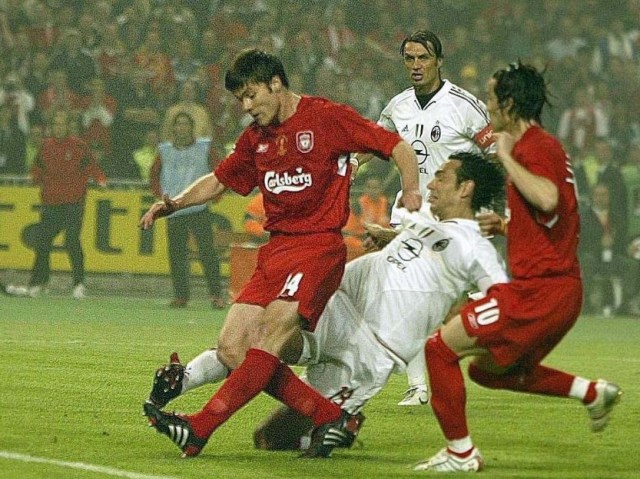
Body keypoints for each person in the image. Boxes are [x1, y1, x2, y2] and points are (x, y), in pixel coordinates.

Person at [139, 48, 421, 458]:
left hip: (317, 247)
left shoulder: (326, 118)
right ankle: (332, 417)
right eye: (240, 99)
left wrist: (411, 190)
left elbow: (397, 147)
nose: (246, 106)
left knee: (268, 336)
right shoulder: (256, 139)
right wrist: (174, 204)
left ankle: (199, 427)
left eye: (251, 95)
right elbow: (218, 181)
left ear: (276, 83)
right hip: (276, 251)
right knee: (233, 347)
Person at [413, 61, 622, 473]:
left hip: (539, 291)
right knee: (490, 373)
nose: (487, 105)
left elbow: (547, 199)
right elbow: (555, 216)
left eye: (491, 98)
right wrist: (509, 225)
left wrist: (507, 157)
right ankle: (592, 392)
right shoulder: (543, 148)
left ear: (508, 104)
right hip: (555, 291)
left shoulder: (533, 148)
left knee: (438, 349)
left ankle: (461, 454)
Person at [249, 152, 507, 452]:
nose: (431, 184)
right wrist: (390, 237)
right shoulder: (426, 222)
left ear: (465, 189)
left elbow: (501, 300)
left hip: (369, 352)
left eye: (441, 178)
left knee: (270, 438)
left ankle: (338, 424)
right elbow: (430, 245)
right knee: (259, 339)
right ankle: (210, 375)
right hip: (342, 309)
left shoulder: (475, 248)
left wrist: (468, 323)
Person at [355, 30, 496, 406]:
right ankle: (417, 385)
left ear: (439, 61)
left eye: (423, 58)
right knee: (406, 295)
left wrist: (495, 202)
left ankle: (499, 336)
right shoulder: (398, 106)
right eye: (410, 58)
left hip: (455, 214)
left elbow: (496, 153)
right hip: (412, 208)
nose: (416, 65)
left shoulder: (464, 105)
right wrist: (353, 161)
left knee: (447, 298)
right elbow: (377, 141)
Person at [18, 110, 106, 298]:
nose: (58, 128)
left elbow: (92, 167)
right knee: (43, 242)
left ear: (68, 126)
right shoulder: (45, 146)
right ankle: (39, 282)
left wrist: (100, 180)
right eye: (55, 124)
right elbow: (37, 169)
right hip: (51, 203)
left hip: (73, 203)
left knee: (72, 241)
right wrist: (32, 178)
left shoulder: (78, 146)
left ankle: (79, 283)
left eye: (62, 124)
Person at [149, 112, 224, 309]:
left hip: (199, 207)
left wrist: (215, 193)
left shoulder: (204, 147)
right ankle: (181, 295)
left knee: (207, 253)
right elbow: (154, 174)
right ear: (173, 128)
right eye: (178, 124)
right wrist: (160, 195)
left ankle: (216, 295)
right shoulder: (164, 150)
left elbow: (219, 170)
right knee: (176, 255)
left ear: (192, 128)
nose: (182, 128)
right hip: (174, 208)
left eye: (185, 124)